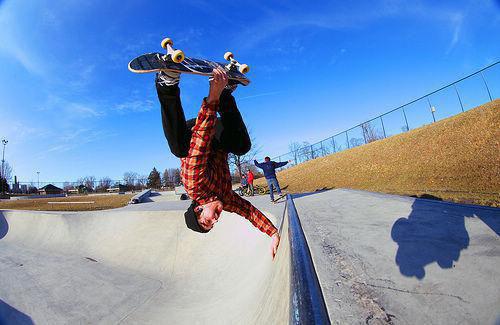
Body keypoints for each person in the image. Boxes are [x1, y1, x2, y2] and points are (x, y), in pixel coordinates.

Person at [155, 66, 280, 258]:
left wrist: (213, 96)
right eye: (212, 226)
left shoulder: (194, 186)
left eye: (207, 222)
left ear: (198, 209)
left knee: (178, 148)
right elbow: (249, 212)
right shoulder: (226, 199)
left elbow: (199, 145)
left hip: (194, 134)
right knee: (241, 146)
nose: (215, 221)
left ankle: (167, 84)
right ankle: (226, 94)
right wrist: (272, 233)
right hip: (218, 138)